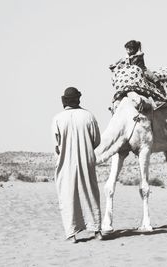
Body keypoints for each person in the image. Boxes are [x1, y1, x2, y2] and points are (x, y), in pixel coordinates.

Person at [52, 87, 102, 242]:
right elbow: (96, 140)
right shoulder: (89, 116)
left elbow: (56, 145)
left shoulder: (58, 119)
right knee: (90, 193)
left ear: (65, 101)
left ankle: (72, 234)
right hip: (86, 161)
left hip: (65, 163)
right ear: (78, 99)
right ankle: (96, 230)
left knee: (68, 196)